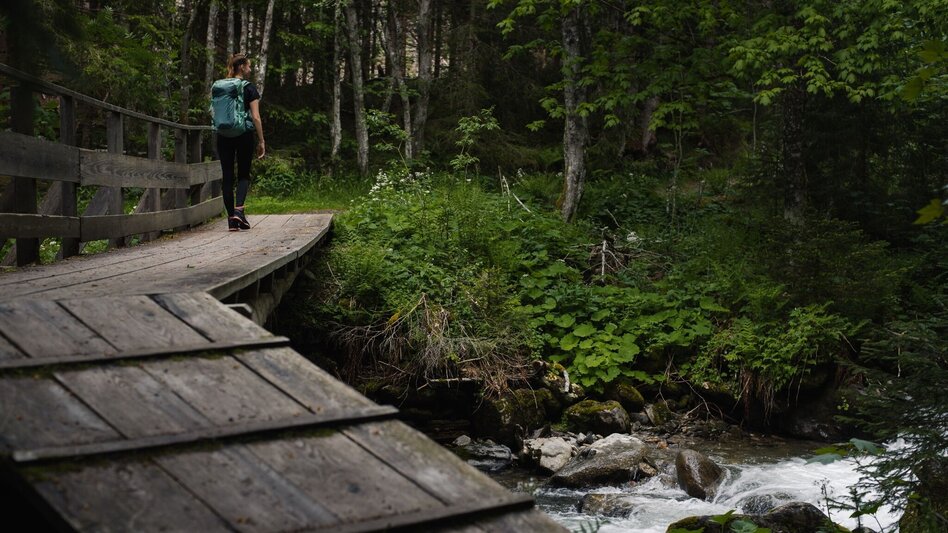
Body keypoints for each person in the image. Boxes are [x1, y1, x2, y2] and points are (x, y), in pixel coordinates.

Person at [216, 53, 265, 231]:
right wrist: (261, 140)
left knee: (227, 175)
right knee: (243, 174)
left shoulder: (220, 86)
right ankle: (239, 211)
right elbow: (256, 117)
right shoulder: (249, 87)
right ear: (242, 67)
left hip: (223, 135)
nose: (250, 69)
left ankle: (231, 220)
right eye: (249, 66)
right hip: (243, 134)